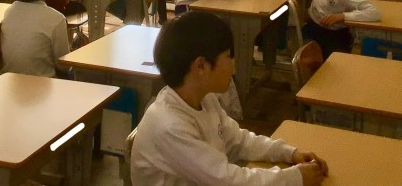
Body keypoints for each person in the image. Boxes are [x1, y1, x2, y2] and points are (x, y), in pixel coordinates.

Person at [131, 11, 329, 186]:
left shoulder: (204, 98)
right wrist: (294, 178)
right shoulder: (169, 125)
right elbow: (225, 180)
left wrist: (289, 153)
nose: (234, 64)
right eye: (228, 56)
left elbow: (238, 140)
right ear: (201, 66)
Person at [0, 0, 70, 78]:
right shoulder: (56, 19)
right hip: (43, 83)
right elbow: (63, 65)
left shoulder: (9, 11)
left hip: (10, 82)